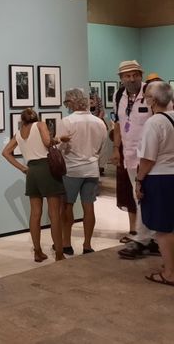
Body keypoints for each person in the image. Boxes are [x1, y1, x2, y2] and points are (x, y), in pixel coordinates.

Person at [2, 108, 65, 262]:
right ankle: (59, 253)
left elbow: (5, 152)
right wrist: (59, 139)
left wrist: (23, 168)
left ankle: (37, 252)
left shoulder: (19, 133)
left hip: (32, 171)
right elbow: (47, 142)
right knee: (54, 214)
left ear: (22, 120)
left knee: (35, 214)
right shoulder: (40, 125)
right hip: (46, 168)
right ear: (36, 117)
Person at [112, 61, 159, 258]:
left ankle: (144, 238)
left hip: (151, 156)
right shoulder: (118, 95)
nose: (131, 79)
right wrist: (116, 149)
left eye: (134, 75)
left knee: (147, 196)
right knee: (137, 195)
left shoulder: (151, 93)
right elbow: (117, 123)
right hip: (130, 155)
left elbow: (161, 120)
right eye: (127, 76)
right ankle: (150, 238)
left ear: (141, 74)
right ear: (121, 78)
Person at [58, 88, 107, 255]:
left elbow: (60, 146)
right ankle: (87, 244)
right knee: (89, 207)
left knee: (67, 205)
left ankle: (66, 243)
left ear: (72, 102)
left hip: (71, 169)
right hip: (92, 169)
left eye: (66, 102)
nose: (66, 105)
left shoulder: (67, 121)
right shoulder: (99, 122)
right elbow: (102, 147)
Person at [135, 81, 174, 286]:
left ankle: (169, 272)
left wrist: (139, 180)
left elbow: (148, 158)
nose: (145, 99)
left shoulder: (155, 122)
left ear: (154, 100)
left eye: (147, 96)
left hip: (160, 178)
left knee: (163, 229)